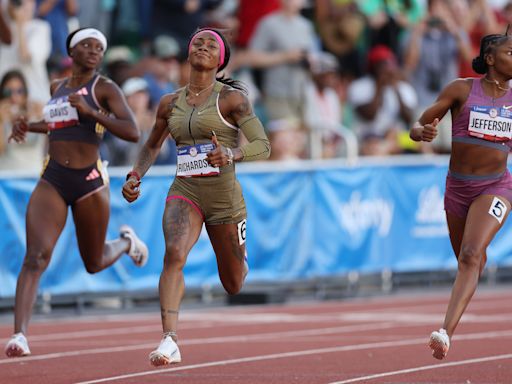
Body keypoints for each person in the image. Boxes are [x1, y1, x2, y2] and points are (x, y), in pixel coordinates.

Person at [122, 27, 271, 367]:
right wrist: (135, 175)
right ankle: (169, 339)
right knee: (174, 254)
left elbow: (264, 145)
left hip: (224, 198)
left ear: (220, 61)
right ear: (188, 55)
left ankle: (241, 259)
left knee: (233, 282)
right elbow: (151, 145)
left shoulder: (232, 100)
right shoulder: (168, 102)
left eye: (211, 45)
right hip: (184, 190)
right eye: (197, 43)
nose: (203, 47)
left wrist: (232, 155)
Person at [4, 27, 148, 358]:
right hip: (54, 177)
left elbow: (132, 131)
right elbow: (60, 125)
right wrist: (30, 126)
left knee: (94, 263)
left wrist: (93, 112)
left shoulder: (105, 88)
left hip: (89, 181)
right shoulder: (57, 87)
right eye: (87, 45)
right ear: (73, 51)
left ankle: (126, 242)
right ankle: (19, 335)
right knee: (35, 256)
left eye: (100, 46)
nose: (95, 50)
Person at [410, 30, 512, 360]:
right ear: (492, 58)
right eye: (511, 52)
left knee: (470, 254)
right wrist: (421, 132)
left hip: (496, 186)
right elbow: (417, 125)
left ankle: (444, 333)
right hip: (457, 188)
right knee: (468, 261)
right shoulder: (461, 89)